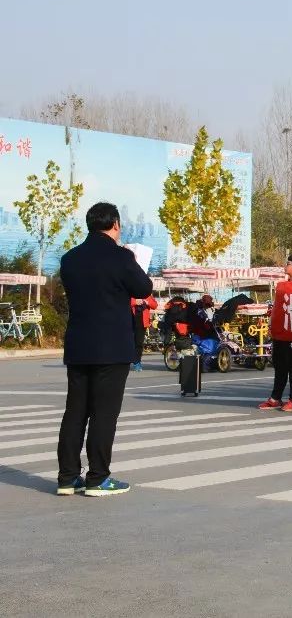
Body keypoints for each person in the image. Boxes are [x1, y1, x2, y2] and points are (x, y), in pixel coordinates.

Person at [56, 201, 154, 497]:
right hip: (111, 347)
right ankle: (98, 478)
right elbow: (143, 288)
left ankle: (67, 477)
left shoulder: (70, 258)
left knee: (75, 411)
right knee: (104, 413)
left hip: (78, 344)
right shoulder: (120, 256)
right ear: (115, 225)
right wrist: (129, 259)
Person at [260, 253, 292, 412]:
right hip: (281, 331)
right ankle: (275, 397)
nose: (285, 266)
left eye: (288, 263)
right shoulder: (283, 286)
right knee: (279, 364)